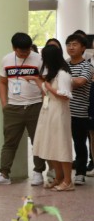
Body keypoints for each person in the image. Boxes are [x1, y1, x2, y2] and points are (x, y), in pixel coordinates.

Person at [0, 33, 46, 186]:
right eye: (21, 51)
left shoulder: (39, 60)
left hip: (35, 105)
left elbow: (45, 82)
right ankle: (4, 175)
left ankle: (38, 173)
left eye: (27, 50)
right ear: (14, 48)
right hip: (13, 108)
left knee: (38, 141)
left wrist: (44, 103)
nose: (25, 54)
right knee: (9, 142)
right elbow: (2, 82)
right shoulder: (6, 59)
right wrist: (4, 104)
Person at [31, 45, 74, 191]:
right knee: (51, 145)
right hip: (48, 111)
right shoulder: (53, 73)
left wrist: (49, 88)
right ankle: (59, 178)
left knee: (61, 145)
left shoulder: (63, 73)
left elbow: (65, 95)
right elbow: (46, 90)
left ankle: (68, 181)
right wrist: (35, 79)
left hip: (59, 112)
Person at [65, 33, 92, 186]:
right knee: (62, 143)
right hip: (63, 111)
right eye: (69, 44)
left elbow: (81, 82)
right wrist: (69, 81)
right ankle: (63, 173)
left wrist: (63, 81)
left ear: (83, 48)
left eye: (75, 44)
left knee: (79, 143)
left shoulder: (87, 66)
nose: (71, 47)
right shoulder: (64, 65)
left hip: (79, 112)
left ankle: (80, 172)